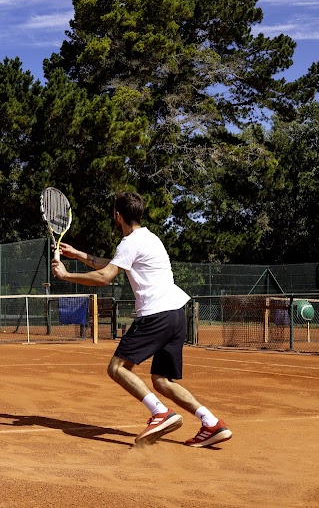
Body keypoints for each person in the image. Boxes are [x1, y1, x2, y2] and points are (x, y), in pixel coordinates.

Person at [50, 191, 232, 448]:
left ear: (117, 216)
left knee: (117, 368)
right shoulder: (150, 238)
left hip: (156, 314)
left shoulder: (130, 242)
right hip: (176, 314)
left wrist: (66, 276)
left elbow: (105, 277)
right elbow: (115, 264)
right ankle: (212, 422)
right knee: (162, 380)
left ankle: (161, 413)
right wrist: (79, 255)